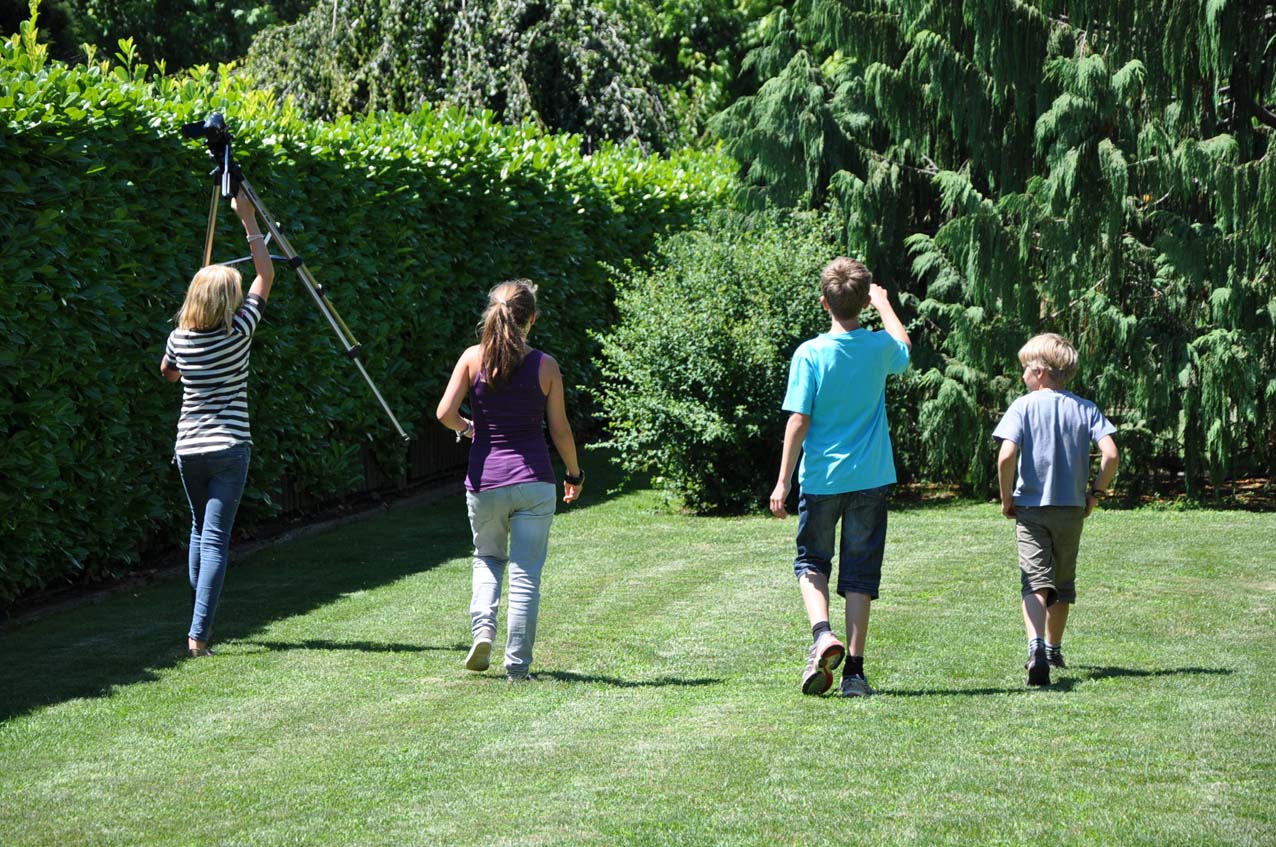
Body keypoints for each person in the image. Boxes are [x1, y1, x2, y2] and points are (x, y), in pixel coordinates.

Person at [769, 257, 911, 697]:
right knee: (860, 574)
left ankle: (822, 634)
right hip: (871, 477)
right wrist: (884, 305)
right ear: (864, 302)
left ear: (824, 303)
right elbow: (904, 349)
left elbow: (798, 421)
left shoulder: (810, 353)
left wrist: (783, 480)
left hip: (822, 479)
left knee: (811, 562)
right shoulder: (878, 347)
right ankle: (854, 674)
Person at [436, 279, 583, 682]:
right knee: (525, 573)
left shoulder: (472, 358)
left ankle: (483, 632)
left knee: (488, 558)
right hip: (534, 480)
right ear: (531, 318)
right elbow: (560, 429)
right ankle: (517, 667)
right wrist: (574, 472)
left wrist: (469, 429)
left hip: (485, 482)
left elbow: (444, 413)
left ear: (491, 313)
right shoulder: (545, 365)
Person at [161, 187, 275, 658]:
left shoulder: (179, 338)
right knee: (214, 541)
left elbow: (168, 373)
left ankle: (198, 614)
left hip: (189, 448)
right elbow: (266, 274)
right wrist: (248, 220)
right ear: (227, 300)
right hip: (229, 445)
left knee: (198, 530)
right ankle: (199, 636)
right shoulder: (239, 331)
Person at [993, 333, 1118, 686]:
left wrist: (1006, 498)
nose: (1022, 376)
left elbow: (1006, 456)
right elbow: (1111, 454)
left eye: (1025, 369)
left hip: (1031, 508)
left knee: (1035, 580)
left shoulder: (1023, 406)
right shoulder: (1085, 408)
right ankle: (1053, 649)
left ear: (1041, 372)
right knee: (1062, 582)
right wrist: (1096, 493)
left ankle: (1035, 646)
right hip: (1071, 509)